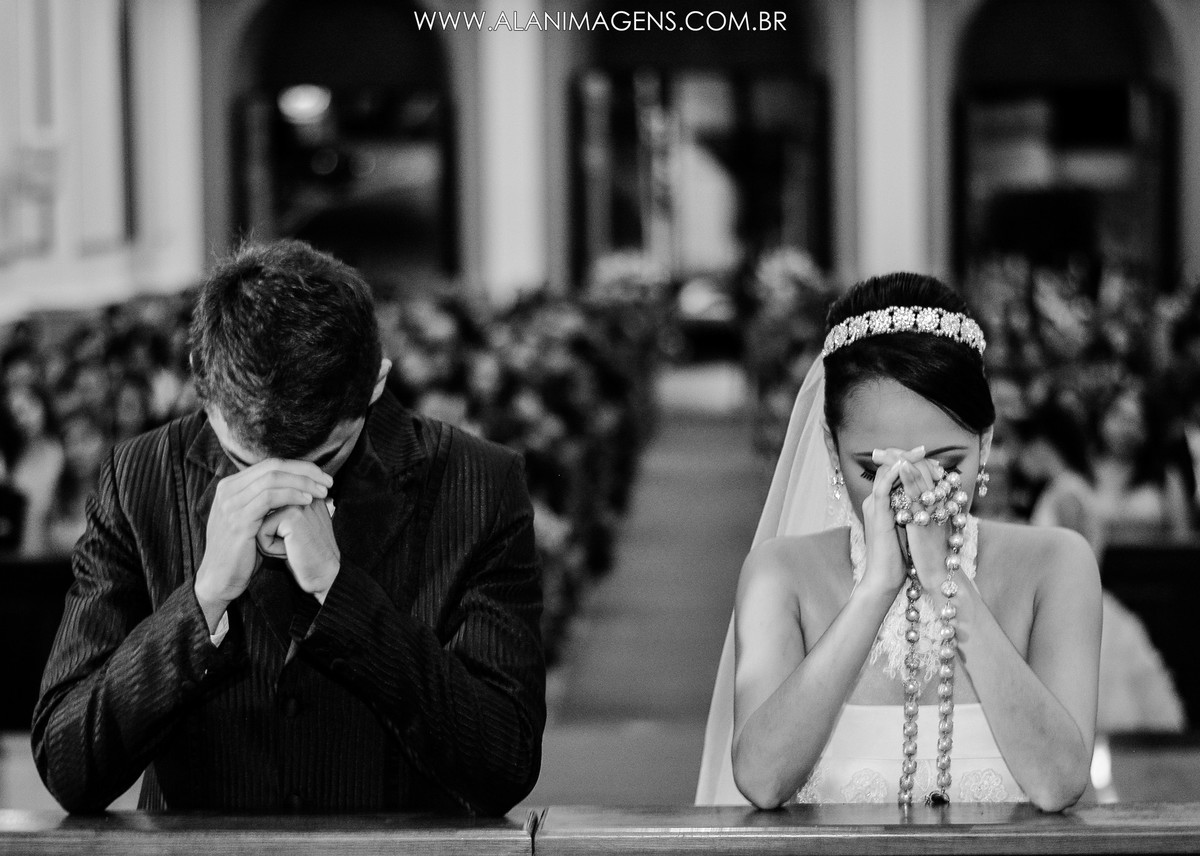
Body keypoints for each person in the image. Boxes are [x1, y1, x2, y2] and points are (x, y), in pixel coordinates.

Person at [33, 240, 546, 814]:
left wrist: (342, 595)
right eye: (245, 462)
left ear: (376, 383)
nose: (280, 491)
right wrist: (202, 602)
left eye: (320, 461)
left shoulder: (478, 485)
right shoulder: (138, 481)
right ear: (201, 381)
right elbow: (67, 765)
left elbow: (506, 763)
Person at [696, 273, 1100, 810]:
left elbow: (1059, 782)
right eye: (875, 470)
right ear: (831, 449)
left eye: (944, 465)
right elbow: (761, 779)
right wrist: (875, 590)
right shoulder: (780, 574)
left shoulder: (1057, 564)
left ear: (985, 443)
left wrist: (948, 585)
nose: (912, 495)